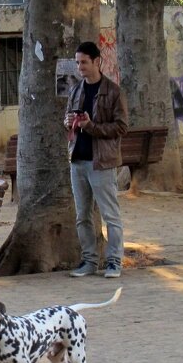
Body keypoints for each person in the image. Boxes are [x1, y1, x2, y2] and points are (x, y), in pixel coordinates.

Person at [64, 41, 128, 278]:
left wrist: (91, 126)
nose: (80, 67)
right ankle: (89, 261)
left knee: (110, 215)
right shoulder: (76, 90)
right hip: (77, 160)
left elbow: (121, 126)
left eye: (84, 62)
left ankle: (114, 262)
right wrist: (69, 122)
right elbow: (68, 118)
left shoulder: (113, 91)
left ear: (96, 62)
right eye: (77, 62)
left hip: (102, 162)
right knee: (82, 216)